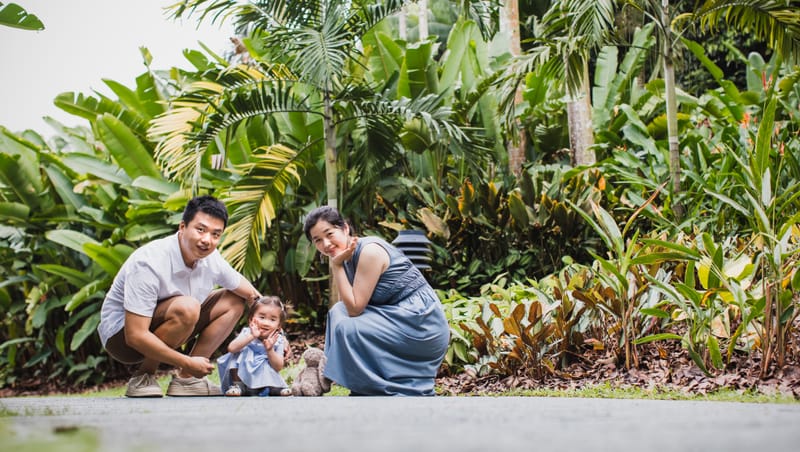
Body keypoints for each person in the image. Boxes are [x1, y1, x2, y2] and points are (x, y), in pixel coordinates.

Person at [97, 195, 262, 398]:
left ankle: (187, 380)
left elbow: (250, 293)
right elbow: (135, 335)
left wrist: (273, 328)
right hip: (121, 337)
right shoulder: (149, 262)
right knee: (187, 308)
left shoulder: (211, 257)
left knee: (234, 300)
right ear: (182, 227)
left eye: (215, 234)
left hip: (172, 320)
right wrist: (186, 361)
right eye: (200, 230)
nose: (207, 240)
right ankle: (143, 377)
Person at [303, 206, 450, 396]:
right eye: (318, 240)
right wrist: (339, 264)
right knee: (338, 313)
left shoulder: (369, 252)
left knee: (347, 325)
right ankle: (347, 378)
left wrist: (336, 266)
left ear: (345, 228)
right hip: (397, 317)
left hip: (421, 323)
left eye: (329, 234)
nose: (326, 244)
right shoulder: (345, 257)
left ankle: (342, 378)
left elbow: (354, 309)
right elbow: (345, 307)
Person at [217, 295, 291, 397]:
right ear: (251, 319)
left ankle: (274, 388)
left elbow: (278, 367)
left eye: (272, 320)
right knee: (238, 352)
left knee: (267, 361)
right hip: (243, 377)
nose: (266, 323)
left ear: (279, 326)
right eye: (262, 317)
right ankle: (238, 386)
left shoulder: (278, 340)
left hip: (266, 380)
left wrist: (270, 350)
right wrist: (251, 336)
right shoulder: (247, 333)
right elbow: (232, 348)